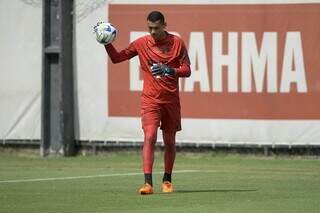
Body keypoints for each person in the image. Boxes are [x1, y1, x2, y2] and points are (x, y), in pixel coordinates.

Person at [103, 11, 191, 195]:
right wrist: (107, 43)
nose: (152, 32)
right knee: (150, 136)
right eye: (150, 28)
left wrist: (169, 70)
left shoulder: (177, 43)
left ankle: (167, 179)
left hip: (171, 100)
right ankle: (147, 183)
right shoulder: (141, 43)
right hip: (150, 100)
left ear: (164, 25)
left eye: (156, 28)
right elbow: (117, 58)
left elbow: (187, 70)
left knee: (169, 141)